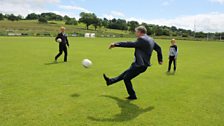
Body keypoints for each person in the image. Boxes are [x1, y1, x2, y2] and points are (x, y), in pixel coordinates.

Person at [103, 26, 163, 100]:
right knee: (126, 74)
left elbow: (130, 44)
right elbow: (158, 48)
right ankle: (110, 81)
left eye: (136, 32)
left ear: (140, 32)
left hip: (139, 65)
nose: (135, 33)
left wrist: (116, 44)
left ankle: (132, 96)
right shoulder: (151, 39)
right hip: (142, 65)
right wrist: (160, 59)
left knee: (126, 78)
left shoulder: (142, 39)